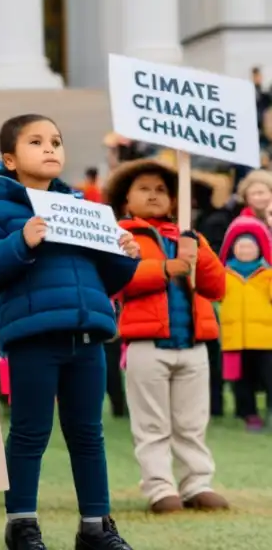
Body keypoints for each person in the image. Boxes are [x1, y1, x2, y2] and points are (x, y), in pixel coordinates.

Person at [0, 114, 139, 550]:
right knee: (29, 433)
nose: (50, 149)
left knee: (88, 434)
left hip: (86, 337)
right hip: (31, 340)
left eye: (57, 142)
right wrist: (20, 241)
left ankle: (96, 526)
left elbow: (105, 277)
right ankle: (22, 524)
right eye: (37, 142)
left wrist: (126, 256)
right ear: (9, 159)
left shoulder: (82, 208)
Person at [105, 159, 228, 513]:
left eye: (162, 190)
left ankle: (197, 483)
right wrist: (164, 268)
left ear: (175, 201)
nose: (154, 195)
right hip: (146, 345)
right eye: (144, 188)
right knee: (153, 423)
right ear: (126, 199)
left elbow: (216, 287)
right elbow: (119, 280)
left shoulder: (191, 236)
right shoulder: (120, 236)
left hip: (193, 345)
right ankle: (160, 489)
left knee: (192, 422)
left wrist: (198, 254)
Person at [219, 216, 272, 432]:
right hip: (235, 339)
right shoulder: (223, 274)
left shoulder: (267, 275)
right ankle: (249, 414)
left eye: (251, 246)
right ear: (233, 249)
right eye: (241, 246)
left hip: (266, 339)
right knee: (241, 381)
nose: (246, 250)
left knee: (269, 378)